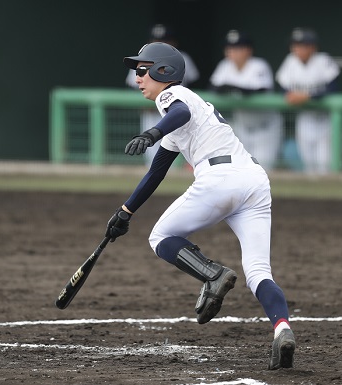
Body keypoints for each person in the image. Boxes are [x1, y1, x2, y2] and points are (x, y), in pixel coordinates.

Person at [106, 42, 296, 370]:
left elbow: (179, 112)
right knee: (258, 271)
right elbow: (156, 173)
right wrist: (125, 212)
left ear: (163, 72)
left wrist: (151, 133)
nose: (137, 77)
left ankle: (213, 274)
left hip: (220, 178)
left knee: (160, 238)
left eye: (142, 69)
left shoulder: (174, 97)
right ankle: (282, 329)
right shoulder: (183, 114)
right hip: (254, 180)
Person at [125, 24, 200, 166]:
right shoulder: (142, 60)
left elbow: (194, 86)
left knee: (182, 157)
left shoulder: (181, 58)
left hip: (177, 112)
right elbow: (132, 88)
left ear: (173, 42)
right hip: (150, 114)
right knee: (153, 160)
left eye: (165, 40)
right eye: (156, 40)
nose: (159, 43)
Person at [209, 30, 283, 171]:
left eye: (237, 48)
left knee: (262, 172)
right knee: (239, 172)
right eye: (229, 48)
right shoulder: (225, 65)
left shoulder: (259, 65)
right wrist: (234, 89)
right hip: (241, 128)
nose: (232, 52)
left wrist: (230, 87)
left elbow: (259, 90)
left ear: (248, 50)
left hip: (265, 129)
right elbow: (214, 88)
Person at [276, 27, 340, 174]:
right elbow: (282, 87)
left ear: (313, 47)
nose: (297, 49)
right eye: (295, 45)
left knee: (325, 166)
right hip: (304, 119)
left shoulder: (323, 60)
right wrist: (290, 95)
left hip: (325, 120)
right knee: (309, 167)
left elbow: (333, 88)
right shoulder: (290, 61)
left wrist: (307, 96)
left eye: (302, 45)